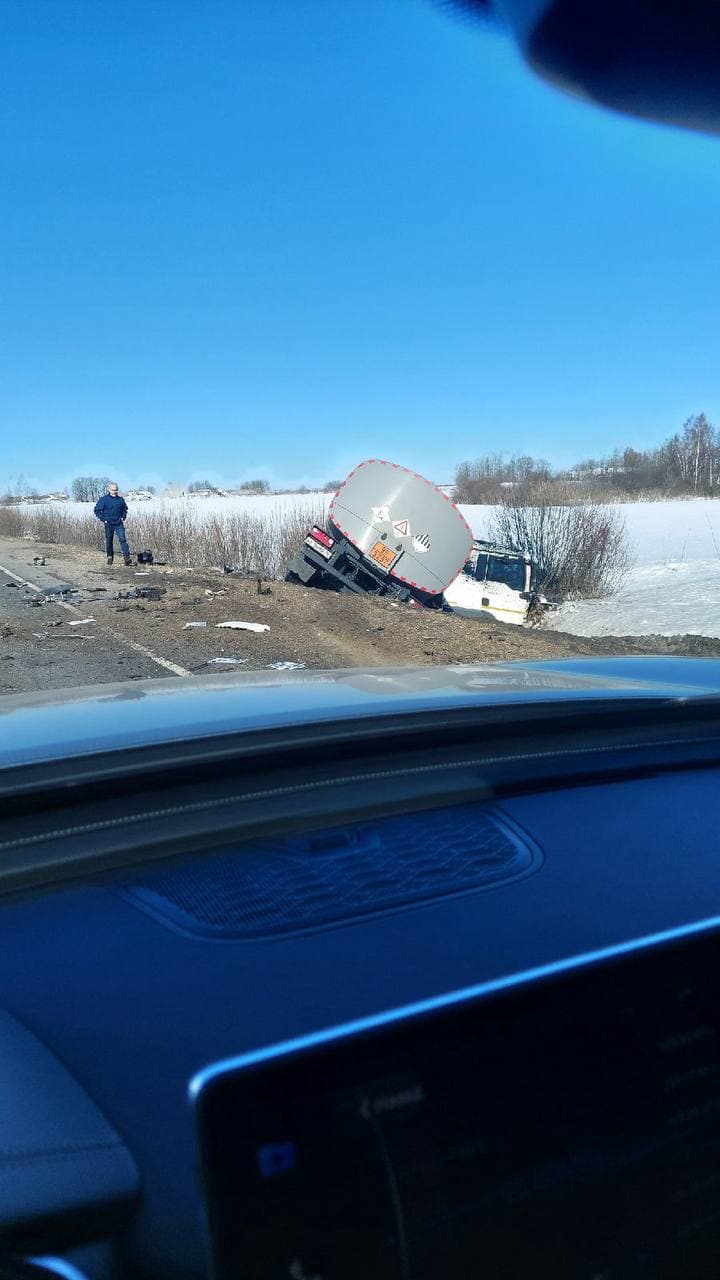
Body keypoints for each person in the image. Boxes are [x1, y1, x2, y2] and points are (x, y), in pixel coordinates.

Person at [93, 482, 131, 565]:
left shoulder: (120, 499)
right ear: (109, 490)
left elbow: (125, 509)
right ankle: (110, 557)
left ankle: (126, 558)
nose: (114, 492)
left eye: (116, 490)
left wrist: (123, 517)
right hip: (109, 524)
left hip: (118, 523)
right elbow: (97, 510)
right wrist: (104, 519)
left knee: (123, 540)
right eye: (113, 490)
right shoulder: (104, 499)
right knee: (109, 541)